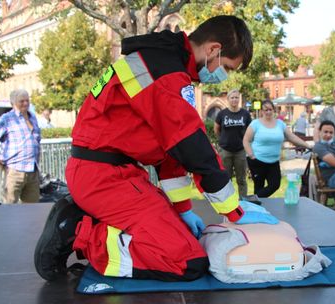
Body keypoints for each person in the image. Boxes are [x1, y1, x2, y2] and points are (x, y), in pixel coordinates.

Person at [34, 15, 278, 283]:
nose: (224, 76)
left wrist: (183, 208)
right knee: (186, 262)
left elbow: (169, 153)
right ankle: (79, 230)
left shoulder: (162, 63)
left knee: (186, 243)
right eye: (228, 68)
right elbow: (192, 147)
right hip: (104, 178)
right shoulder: (163, 72)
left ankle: (87, 221)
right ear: (213, 50)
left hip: (112, 174)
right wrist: (233, 210)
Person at [243, 100, 311, 198]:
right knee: (259, 186)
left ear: (274, 110)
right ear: (261, 111)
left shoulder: (280, 124)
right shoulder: (255, 124)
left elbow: (291, 137)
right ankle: (258, 207)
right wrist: (251, 155)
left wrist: (307, 145)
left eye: (270, 109)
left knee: (275, 185)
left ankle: (251, 199)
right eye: (265, 110)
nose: (268, 112)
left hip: (273, 161)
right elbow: (246, 140)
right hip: (257, 160)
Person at [0, 89, 41, 203]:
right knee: (8, 209)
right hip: (14, 171)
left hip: (33, 171)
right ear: (13, 103)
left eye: (27, 100)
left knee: (33, 211)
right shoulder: (7, 118)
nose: (25, 104)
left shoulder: (33, 117)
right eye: (22, 101)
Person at [214, 89, 252, 198]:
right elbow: (216, 129)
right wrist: (222, 140)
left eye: (236, 97)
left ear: (239, 99)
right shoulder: (222, 113)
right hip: (225, 151)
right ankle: (228, 201)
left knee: (241, 179)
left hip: (240, 150)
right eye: (232, 97)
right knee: (226, 178)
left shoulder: (245, 114)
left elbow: (250, 130)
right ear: (228, 99)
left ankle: (243, 201)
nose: (234, 99)